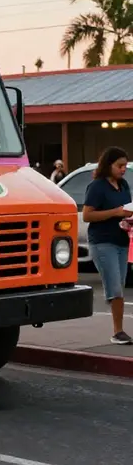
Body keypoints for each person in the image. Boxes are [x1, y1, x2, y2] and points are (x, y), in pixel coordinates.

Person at [83, 146, 132, 344]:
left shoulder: (124, 186)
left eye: (125, 166)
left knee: (119, 285)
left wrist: (127, 218)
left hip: (121, 240)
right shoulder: (97, 186)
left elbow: (124, 210)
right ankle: (118, 332)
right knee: (115, 288)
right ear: (108, 165)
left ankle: (119, 331)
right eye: (119, 166)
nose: (123, 170)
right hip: (102, 242)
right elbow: (87, 215)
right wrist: (115, 212)